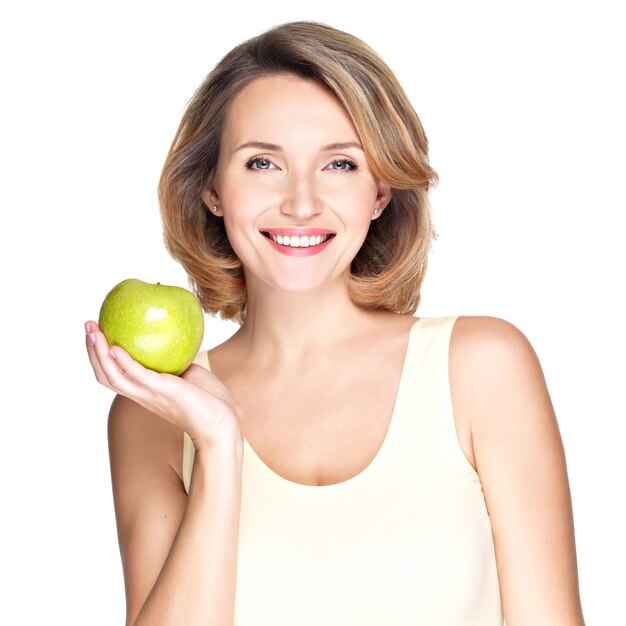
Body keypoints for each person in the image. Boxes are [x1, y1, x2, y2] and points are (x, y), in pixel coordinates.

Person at [85, 21, 585, 626]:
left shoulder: (483, 368)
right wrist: (218, 446)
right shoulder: (155, 415)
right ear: (213, 188)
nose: (301, 202)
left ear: (381, 192)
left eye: (340, 165)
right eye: (263, 162)